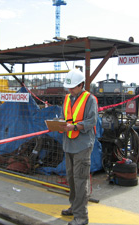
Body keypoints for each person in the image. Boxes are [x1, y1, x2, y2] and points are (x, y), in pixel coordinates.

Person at [60, 69, 98, 225]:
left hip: (82, 146)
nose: (70, 90)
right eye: (69, 87)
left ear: (81, 85)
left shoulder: (90, 100)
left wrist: (75, 127)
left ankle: (81, 217)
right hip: (68, 144)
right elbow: (64, 116)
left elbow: (91, 121)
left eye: (73, 87)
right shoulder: (68, 98)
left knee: (80, 180)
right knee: (72, 179)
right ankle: (74, 207)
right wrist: (60, 124)